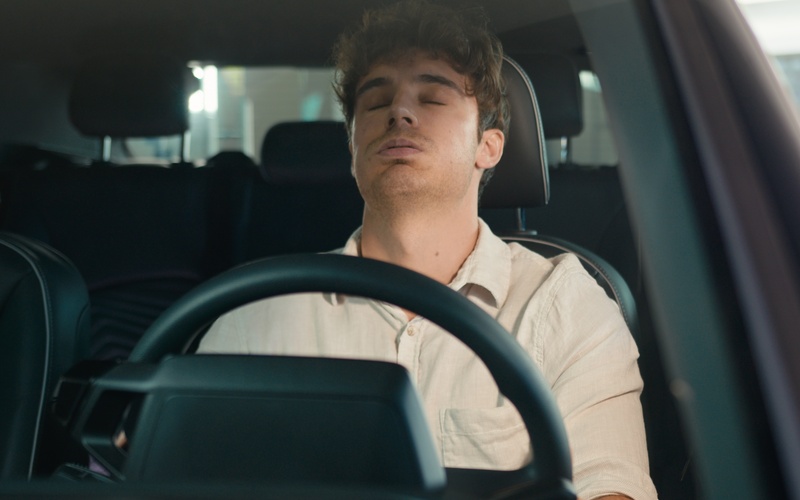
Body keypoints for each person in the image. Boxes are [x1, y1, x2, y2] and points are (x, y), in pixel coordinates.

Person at [198, 1, 657, 498]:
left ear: (490, 146)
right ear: (352, 148)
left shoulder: (567, 306)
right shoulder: (259, 315)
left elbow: (611, 485)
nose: (398, 111)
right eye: (375, 102)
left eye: (433, 98)